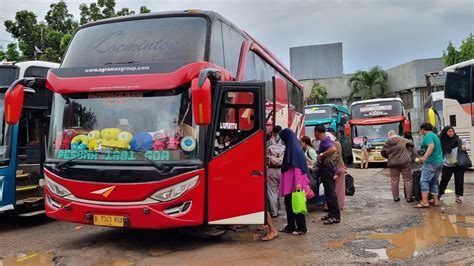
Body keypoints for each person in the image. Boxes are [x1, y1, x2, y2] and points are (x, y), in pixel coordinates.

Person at [278, 128, 310, 235]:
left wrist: (298, 184)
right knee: (288, 204)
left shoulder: (294, 150)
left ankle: (302, 228)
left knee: (297, 204)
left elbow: (297, 167)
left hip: (295, 183)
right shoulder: (292, 147)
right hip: (290, 183)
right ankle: (290, 226)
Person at [314, 125, 340, 224]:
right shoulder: (326, 140)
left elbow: (333, 149)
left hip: (328, 171)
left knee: (330, 193)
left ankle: (335, 216)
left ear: (317, 132)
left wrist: (321, 155)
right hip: (327, 170)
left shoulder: (325, 141)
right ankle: (331, 213)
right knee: (328, 193)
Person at [438, 126, 470, 203]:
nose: (451, 133)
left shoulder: (459, 139)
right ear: (445, 132)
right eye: (449, 131)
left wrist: (464, 147)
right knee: (444, 180)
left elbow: (468, 146)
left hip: (458, 164)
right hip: (447, 164)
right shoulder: (441, 140)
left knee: (459, 181)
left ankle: (457, 197)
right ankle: (439, 195)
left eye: (452, 131)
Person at [415, 123, 443, 208]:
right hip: (439, 162)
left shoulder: (428, 136)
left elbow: (431, 147)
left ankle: (424, 202)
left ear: (423, 129)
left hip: (431, 162)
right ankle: (435, 201)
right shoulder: (435, 136)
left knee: (424, 181)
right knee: (434, 181)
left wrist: (423, 158)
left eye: (421, 130)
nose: (421, 132)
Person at [381, 130, 415, 202]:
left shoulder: (387, 143)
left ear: (389, 136)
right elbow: (412, 143)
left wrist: (389, 157)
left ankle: (396, 197)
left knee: (394, 180)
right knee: (407, 179)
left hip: (393, 163)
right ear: (395, 134)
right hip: (405, 162)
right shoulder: (402, 139)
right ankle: (409, 197)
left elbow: (382, 152)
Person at [266, 126, 284, 217]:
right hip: (282, 169)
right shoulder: (284, 142)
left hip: (271, 169)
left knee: (272, 191)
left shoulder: (268, 142)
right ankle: (280, 208)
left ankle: (274, 212)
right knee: (278, 190)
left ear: (273, 132)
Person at [327, 128, 346, 210]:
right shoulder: (336, 143)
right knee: (339, 188)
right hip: (339, 167)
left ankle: (337, 205)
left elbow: (336, 157)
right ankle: (339, 205)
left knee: (337, 188)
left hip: (337, 168)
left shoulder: (334, 144)